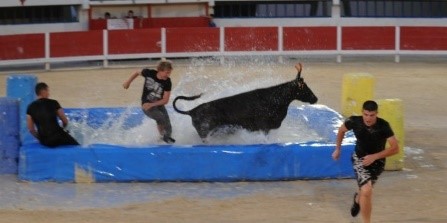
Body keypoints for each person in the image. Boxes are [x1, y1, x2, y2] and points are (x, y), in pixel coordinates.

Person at [332, 100, 399, 223]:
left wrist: (374, 157)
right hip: (360, 159)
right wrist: (337, 149)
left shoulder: (383, 126)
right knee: (367, 190)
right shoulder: (354, 121)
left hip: (377, 162)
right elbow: (341, 131)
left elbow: (395, 148)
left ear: (376, 114)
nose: (368, 118)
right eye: (366, 115)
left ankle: (358, 200)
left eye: (372, 115)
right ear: (362, 113)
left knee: (364, 191)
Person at [123, 60, 176, 144]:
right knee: (161, 118)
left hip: (158, 104)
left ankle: (163, 140)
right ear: (159, 70)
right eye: (167, 72)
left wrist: (153, 104)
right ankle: (162, 138)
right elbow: (137, 72)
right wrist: (128, 82)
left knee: (169, 128)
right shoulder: (149, 73)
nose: (168, 75)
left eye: (169, 73)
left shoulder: (167, 82)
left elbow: (165, 100)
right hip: (146, 105)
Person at [26, 82, 79, 148]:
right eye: (47, 91)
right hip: (58, 137)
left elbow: (31, 129)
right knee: (77, 146)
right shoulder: (54, 103)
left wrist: (40, 138)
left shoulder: (30, 107)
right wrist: (64, 130)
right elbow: (65, 121)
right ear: (43, 91)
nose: (48, 94)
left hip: (45, 141)